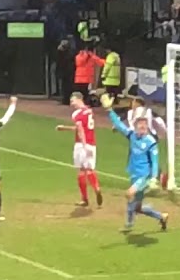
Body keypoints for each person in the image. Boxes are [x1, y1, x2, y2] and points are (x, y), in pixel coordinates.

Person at [100, 93, 169, 232]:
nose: (143, 126)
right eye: (140, 124)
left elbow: (155, 162)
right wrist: (109, 110)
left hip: (144, 176)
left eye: (144, 124)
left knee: (129, 194)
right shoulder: (132, 136)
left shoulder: (151, 142)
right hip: (134, 174)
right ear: (136, 125)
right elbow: (119, 125)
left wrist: (154, 178)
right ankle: (161, 216)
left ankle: (129, 224)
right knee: (137, 206)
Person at [56, 91, 103, 207]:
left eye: (72, 101)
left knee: (82, 171)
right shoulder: (89, 111)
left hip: (81, 145)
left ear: (79, 99)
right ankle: (96, 188)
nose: (71, 104)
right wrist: (64, 128)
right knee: (90, 169)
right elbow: (82, 128)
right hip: (92, 144)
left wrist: (83, 144)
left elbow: (81, 130)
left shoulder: (77, 114)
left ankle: (84, 199)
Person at [127, 96, 169, 189]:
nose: (132, 104)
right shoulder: (136, 112)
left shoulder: (141, 111)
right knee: (143, 159)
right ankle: (155, 177)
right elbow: (159, 120)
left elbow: (158, 120)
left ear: (138, 103)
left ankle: (155, 177)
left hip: (146, 137)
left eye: (133, 102)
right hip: (141, 137)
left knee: (145, 159)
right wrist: (165, 131)